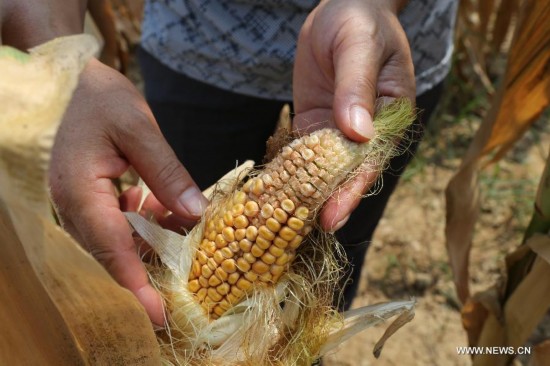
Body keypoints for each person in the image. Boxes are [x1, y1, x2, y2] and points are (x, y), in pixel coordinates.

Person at [0, 0, 458, 327]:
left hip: (375, 48)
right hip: (201, 45)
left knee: (334, 252)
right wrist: (55, 60)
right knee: (172, 227)